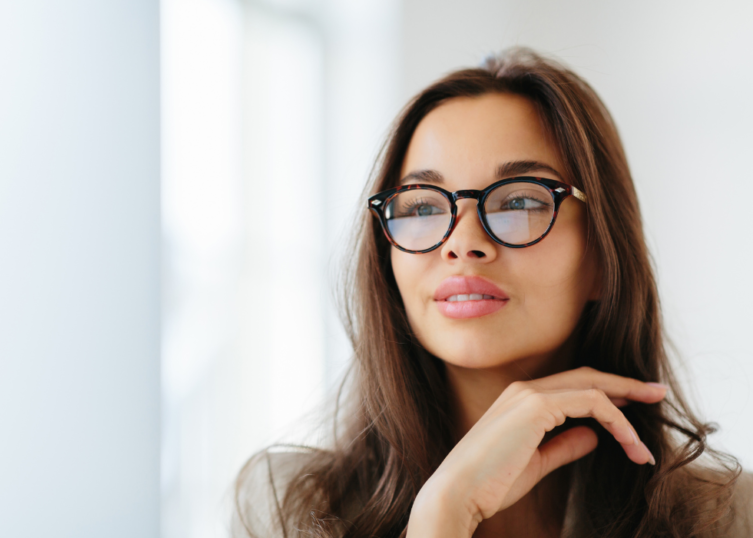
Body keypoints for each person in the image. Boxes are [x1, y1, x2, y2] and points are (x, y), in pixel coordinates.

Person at [232, 47, 753, 538]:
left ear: (602, 257)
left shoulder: (725, 516)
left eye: (520, 202)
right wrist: (444, 514)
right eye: (420, 208)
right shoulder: (288, 505)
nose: (462, 243)